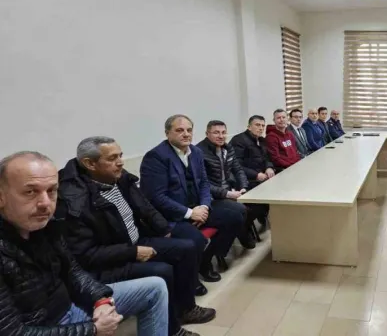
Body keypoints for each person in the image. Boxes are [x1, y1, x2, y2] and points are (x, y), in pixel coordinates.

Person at [56, 137, 215, 336]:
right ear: (90, 164)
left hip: (134, 242)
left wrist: (164, 229)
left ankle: (186, 309)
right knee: (162, 271)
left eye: (120, 156)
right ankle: (172, 330)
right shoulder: (74, 200)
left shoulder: (118, 177)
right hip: (107, 263)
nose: (120, 162)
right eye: (112, 158)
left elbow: (144, 206)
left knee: (187, 248)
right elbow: (85, 256)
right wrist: (133, 252)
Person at [0, 151, 169, 336]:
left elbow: (73, 271)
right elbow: (12, 332)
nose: (45, 203)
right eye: (30, 192)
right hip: (41, 329)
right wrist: (93, 329)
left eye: (51, 190)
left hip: (69, 309)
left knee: (155, 288)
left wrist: (100, 299)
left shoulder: (48, 226)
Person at [140, 115, 247, 284]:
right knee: (196, 239)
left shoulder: (196, 152)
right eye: (179, 130)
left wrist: (204, 206)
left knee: (235, 217)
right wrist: (190, 213)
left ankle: (205, 261)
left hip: (197, 207)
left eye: (189, 130)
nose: (186, 134)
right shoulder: (156, 157)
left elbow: (204, 183)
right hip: (173, 216)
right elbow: (156, 197)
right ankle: (191, 278)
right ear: (167, 133)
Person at [196, 120, 256, 259]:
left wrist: (244, 187)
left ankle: (242, 234)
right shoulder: (199, 152)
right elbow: (203, 184)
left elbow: (238, 169)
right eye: (216, 132)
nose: (221, 136)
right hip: (213, 196)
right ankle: (227, 247)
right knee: (241, 210)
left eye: (223, 132)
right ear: (207, 134)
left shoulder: (228, 148)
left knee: (255, 202)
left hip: (230, 188)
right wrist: (227, 194)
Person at [230, 115, 274, 233]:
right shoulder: (238, 140)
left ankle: (267, 216)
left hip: (263, 177)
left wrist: (269, 167)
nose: (261, 128)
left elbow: (267, 158)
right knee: (260, 202)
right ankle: (245, 228)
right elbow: (236, 165)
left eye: (263, 126)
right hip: (246, 180)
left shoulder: (262, 140)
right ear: (249, 127)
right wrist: (256, 174)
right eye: (257, 125)